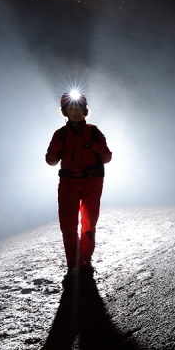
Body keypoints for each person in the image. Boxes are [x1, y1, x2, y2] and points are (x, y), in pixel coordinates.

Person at [45, 90, 112, 276]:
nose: (76, 111)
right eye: (71, 108)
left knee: (89, 222)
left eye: (79, 108)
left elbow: (107, 157)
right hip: (68, 183)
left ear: (85, 110)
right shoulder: (60, 135)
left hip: (92, 181)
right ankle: (74, 263)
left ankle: (86, 258)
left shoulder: (94, 132)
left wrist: (99, 149)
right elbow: (51, 161)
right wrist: (54, 149)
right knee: (68, 224)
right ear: (65, 111)